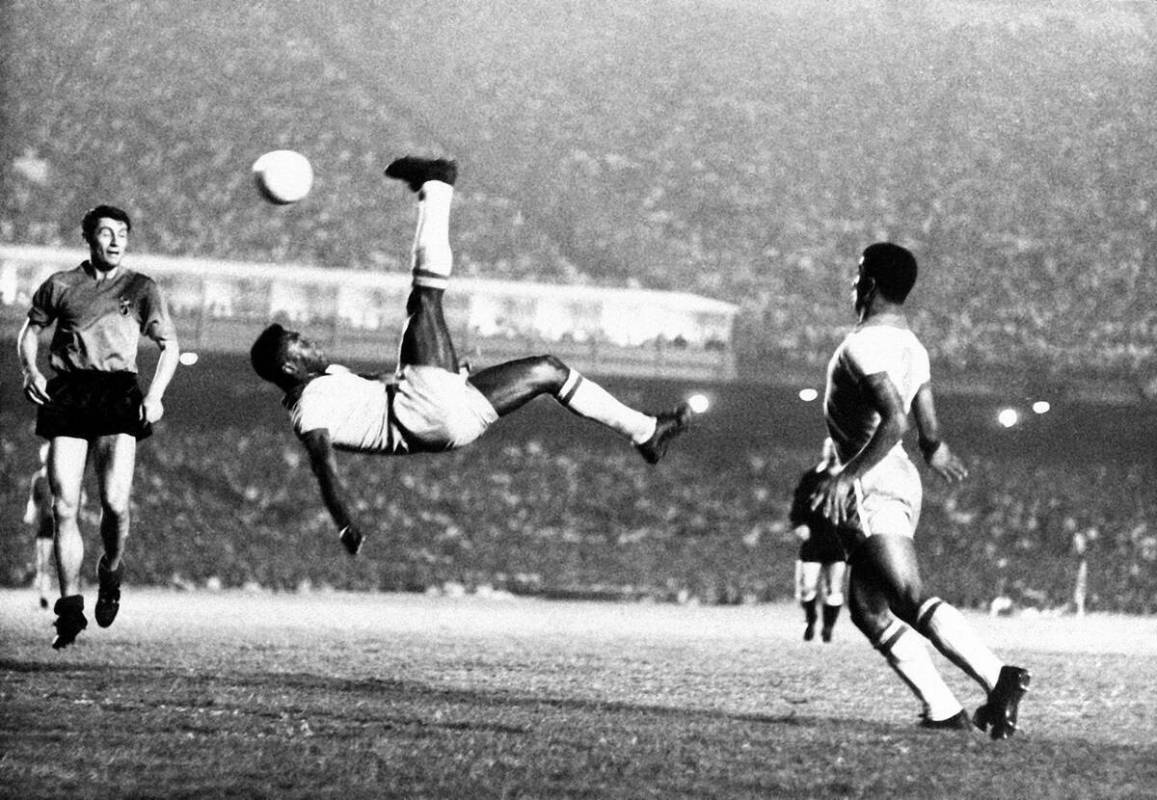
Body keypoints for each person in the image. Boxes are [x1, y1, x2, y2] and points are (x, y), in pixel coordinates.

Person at [250, 156, 692, 556]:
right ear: (289, 366)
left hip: (447, 418)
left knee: (549, 371)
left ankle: (645, 431)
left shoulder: (330, 382)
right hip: (421, 413)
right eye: (298, 342)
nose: (308, 341)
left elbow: (377, 391)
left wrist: (445, 373)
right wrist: (345, 522)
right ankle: (436, 187)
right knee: (424, 300)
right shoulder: (309, 407)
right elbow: (323, 466)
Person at [809, 242, 1030, 738]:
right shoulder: (914, 347)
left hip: (873, 479)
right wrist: (936, 452)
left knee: (906, 597)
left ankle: (1000, 678)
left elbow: (896, 420)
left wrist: (846, 475)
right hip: (899, 475)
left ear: (867, 282)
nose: (851, 283)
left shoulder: (863, 346)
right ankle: (943, 710)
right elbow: (926, 429)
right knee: (868, 610)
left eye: (855, 274)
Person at [17, 204, 180, 649]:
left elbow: (169, 345)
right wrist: (31, 371)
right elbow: (30, 331)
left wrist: (154, 395)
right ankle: (69, 610)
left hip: (117, 392)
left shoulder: (141, 288)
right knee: (64, 507)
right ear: (88, 237)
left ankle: (111, 568)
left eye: (122, 233)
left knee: (113, 503)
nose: (115, 240)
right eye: (106, 233)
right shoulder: (62, 285)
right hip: (69, 391)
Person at [788, 438, 847, 642]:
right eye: (828, 448)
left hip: (838, 538)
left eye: (835, 448)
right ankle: (811, 620)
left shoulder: (848, 477)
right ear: (824, 451)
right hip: (814, 537)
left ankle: (828, 628)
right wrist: (799, 524)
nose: (832, 452)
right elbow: (798, 504)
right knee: (807, 587)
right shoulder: (812, 477)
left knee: (834, 587)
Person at [24, 443, 55, 609]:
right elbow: (33, 501)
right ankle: (44, 596)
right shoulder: (39, 479)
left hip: (61, 524)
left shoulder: (63, 477)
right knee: (43, 562)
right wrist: (30, 517)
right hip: (46, 523)